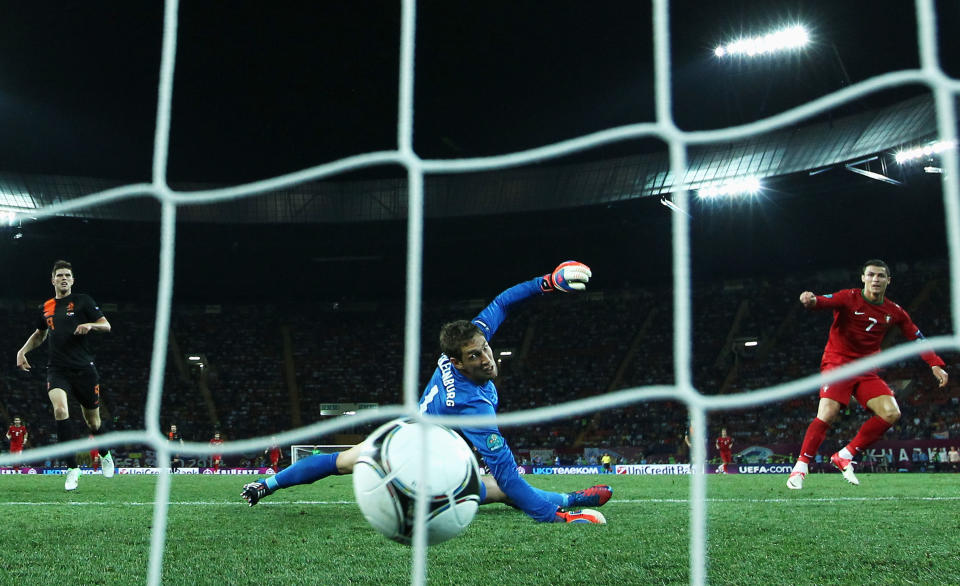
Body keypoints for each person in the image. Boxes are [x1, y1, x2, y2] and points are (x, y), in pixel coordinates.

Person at [241, 261, 612, 523]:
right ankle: (567, 502)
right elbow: (510, 479)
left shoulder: (464, 346)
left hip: (402, 435)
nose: (486, 358)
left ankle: (265, 485)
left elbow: (501, 302)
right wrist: (555, 518)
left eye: (485, 348)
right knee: (499, 488)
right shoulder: (471, 407)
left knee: (341, 461)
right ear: (457, 361)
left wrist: (546, 281)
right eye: (475, 356)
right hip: (419, 469)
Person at [787, 259, 948, 490]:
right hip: (838, 364)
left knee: (891, 413)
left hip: (866, 371)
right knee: (828, 412)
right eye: (871, 275)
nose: (875, 279)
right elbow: (822, 301)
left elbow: (916, 336)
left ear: (888, 281)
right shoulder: (848, 297)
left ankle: (845, 455)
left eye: (881, 276)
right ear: (863, 278)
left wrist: (935, 363)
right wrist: (811, 300)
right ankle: (800, 468)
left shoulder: (894, 311)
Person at [16, 260, 115, 491]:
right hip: (57, 369)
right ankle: (72, 469)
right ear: (52, 280)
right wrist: (22, 351)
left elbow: (106, 325)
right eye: (59, 275)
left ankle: (105, 453)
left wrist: (90, 325)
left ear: (72, 280)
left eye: (67, 275)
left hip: (84, 370)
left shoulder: (83, 301)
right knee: (60, 410)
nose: (63, 278)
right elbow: (40, 334)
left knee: (93, 422)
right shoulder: (46, 307)